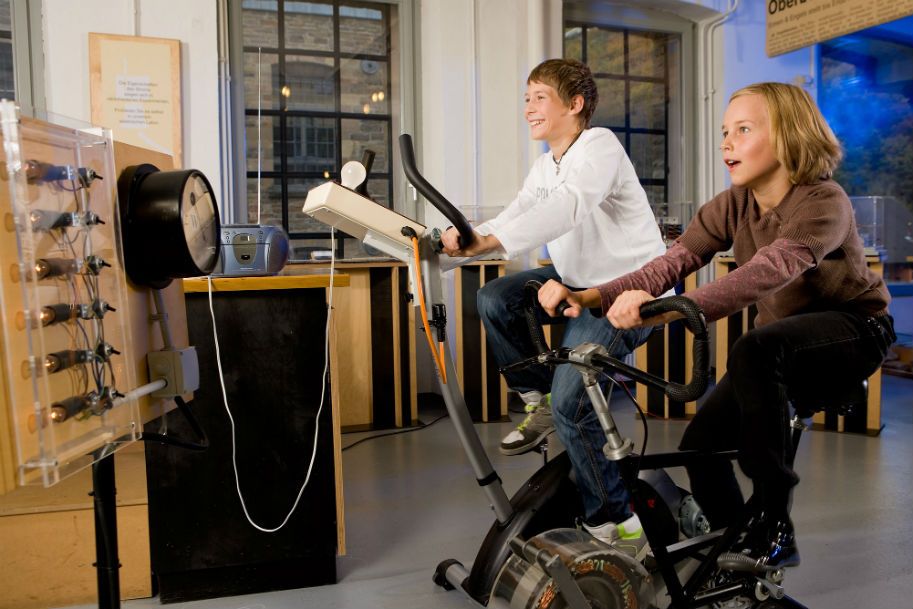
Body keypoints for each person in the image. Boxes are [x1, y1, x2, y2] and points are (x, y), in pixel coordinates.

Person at [537, 81, 895, 568]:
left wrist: (665, 310)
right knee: (699, 446)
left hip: (856, 331)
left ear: (789, 135)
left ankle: (774, 523)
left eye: (743, 130)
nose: (726, 142)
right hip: (781, 345)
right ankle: (736, 545)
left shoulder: (823, 201)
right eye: (725, 131)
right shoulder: (734, 203)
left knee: (754, 349)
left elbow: (768, 271)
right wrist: (593, 295)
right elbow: (672, 262)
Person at [441, 58, 667, 559]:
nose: (528, 108)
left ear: (575, 104)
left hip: (625, 292)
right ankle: (536, 400)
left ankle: (617, 520)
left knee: (574, 402)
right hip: (574, 280)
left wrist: (490, 239)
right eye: (526, 98)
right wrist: (456, 245)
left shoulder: (600, 147)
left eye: (538, 97)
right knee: (495, 297)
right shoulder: (545, 165)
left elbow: (567, 208)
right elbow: (517, 214)